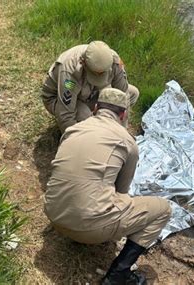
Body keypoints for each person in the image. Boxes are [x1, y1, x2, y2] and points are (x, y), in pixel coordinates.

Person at [44, 88, 171, 284]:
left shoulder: (72, 130)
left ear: (95, 108)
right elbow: (122, 192)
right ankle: (117, 275)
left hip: (54, 215)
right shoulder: (127, 141)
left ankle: (83, 227)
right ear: (123, 114)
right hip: (88, 229)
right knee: (163, 209)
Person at [41, 40, 139, 132]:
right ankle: (91, 129)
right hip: (60, 99)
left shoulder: (114, 61)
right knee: (86, 117)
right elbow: (66, 115)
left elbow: (123, 96)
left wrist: (121, 131)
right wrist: (74, 141)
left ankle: (103, 126)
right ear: (83, 63)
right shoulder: (69, 71)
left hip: (91, 93)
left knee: (133, 93)